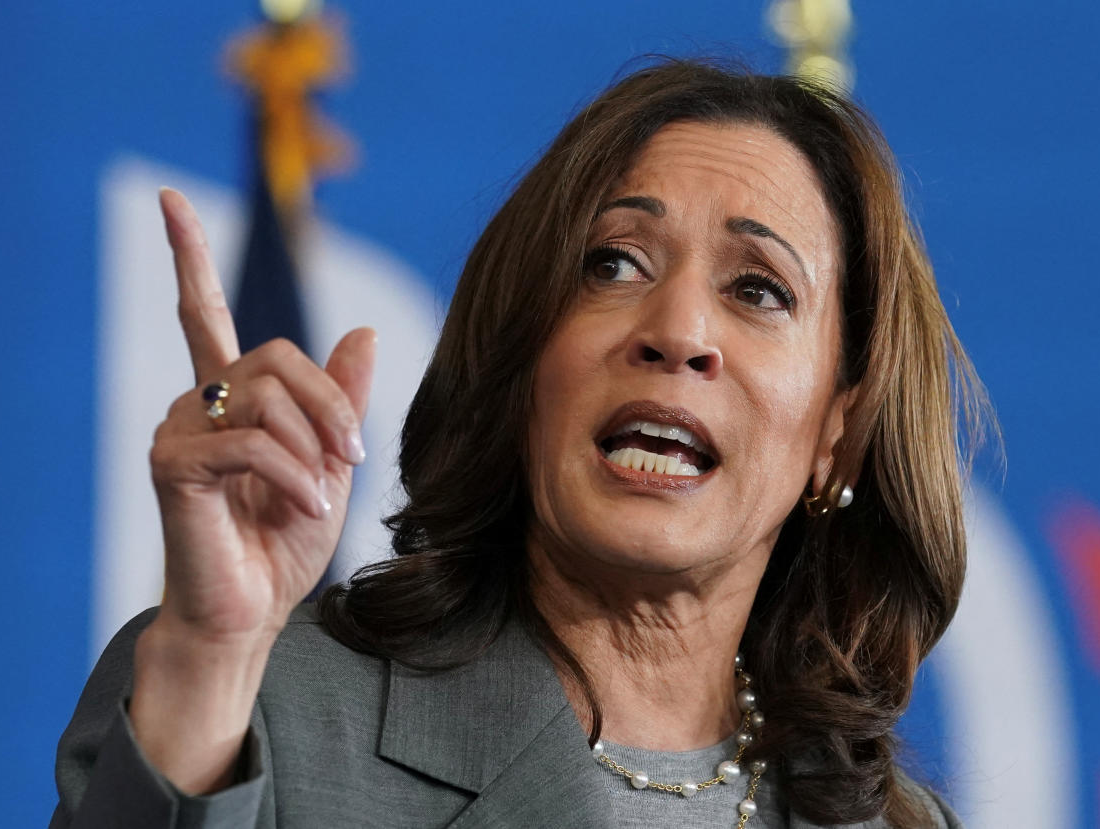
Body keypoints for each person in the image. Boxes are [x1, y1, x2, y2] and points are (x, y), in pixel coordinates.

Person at [52, 58, 983, 828]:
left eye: (757, 290)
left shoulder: (887, 820)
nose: (678, 329)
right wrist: (210, 662)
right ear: (523, 363)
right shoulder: (268, 707)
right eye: (611, 262)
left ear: (837, 434)